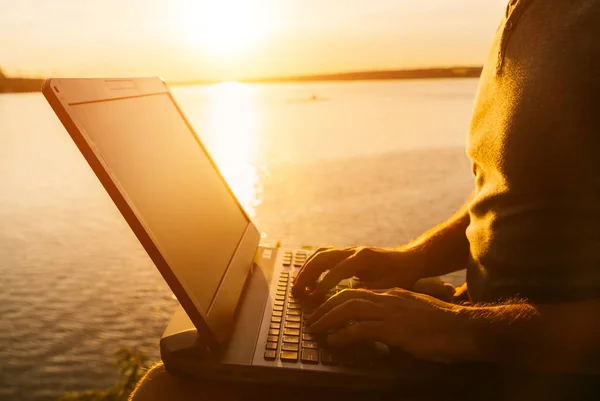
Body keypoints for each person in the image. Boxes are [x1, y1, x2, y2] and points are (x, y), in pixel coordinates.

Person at [131, 0, 600, 399]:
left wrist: (457, 329)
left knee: (171, 393)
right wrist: (413, 259)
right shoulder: (528, 11)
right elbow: (512, 191)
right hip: (478, 336)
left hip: (530, 371)